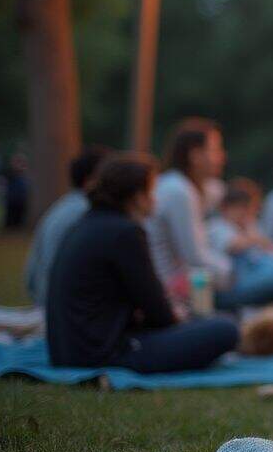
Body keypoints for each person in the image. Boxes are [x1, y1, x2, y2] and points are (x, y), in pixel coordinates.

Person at [45, 153, 238, 372]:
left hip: (67, 352)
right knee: (225, 329)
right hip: (104, 353)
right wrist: (181, 318)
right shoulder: (125, 233)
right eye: (152, 192)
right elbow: (159, 313)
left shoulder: (85, 224)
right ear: (137, 196)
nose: (155, 200)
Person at [146, 118, 233, 307]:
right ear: (195, 155)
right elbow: (195, 257)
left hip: (191, 284)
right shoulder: (179, 191)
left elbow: (218, 191)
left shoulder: (188, 186)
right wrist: (233, 270)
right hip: (176, 292)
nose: (222, 157)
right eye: (215, 150)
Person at [24, 145, 109, 306]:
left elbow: (30, 277)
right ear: (91, 181)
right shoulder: (88, 214)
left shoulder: (62, 206)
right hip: (69, 309)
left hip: (48, 302)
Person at [207, 178, 273, 310]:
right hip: (231, 286)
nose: (245, 213)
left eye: (247, 208)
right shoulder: (217, 226)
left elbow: (270, 248)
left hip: (251, 278)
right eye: (241, 208)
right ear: (226, 208)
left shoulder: (247, 227)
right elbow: (234, 245)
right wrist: (254, 238)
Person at [2, 152, 28, 229]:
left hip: (21, 203)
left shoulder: (24, 175)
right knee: (10, 224)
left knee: (19, 223)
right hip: (12, 202)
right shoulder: (10, 174)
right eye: (18, 162)